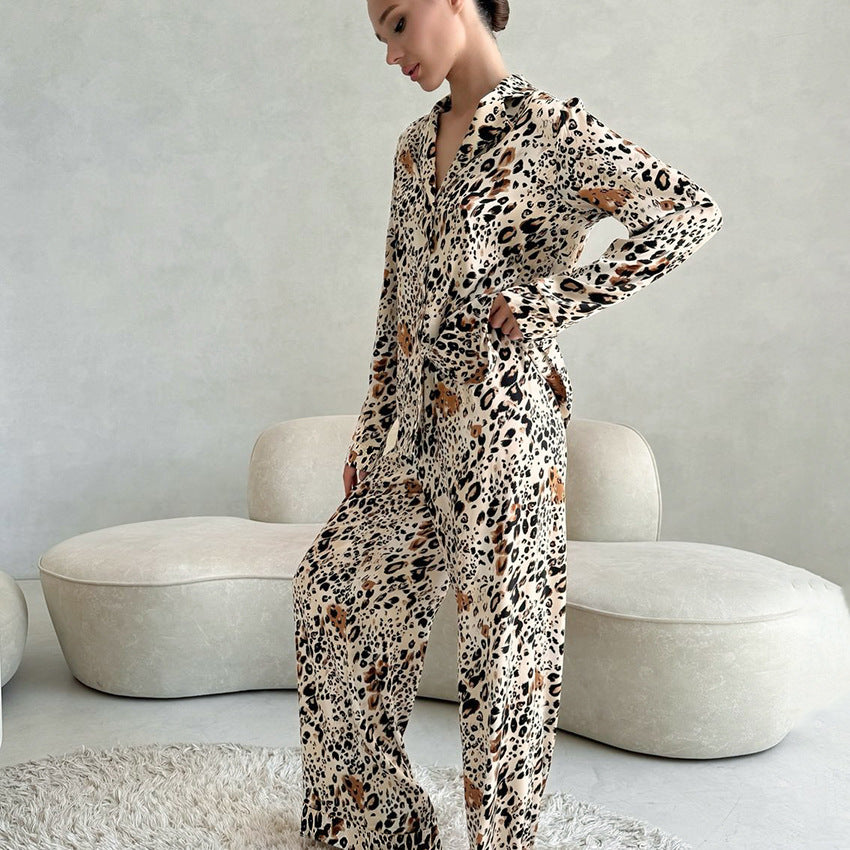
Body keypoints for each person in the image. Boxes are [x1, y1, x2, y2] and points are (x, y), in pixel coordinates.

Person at [293, 0, 724, 848]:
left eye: (398, 22)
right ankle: (379, 828)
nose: (391, 53)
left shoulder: (552, 129)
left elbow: (690, 213)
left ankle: (503, 841)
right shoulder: (413, 149)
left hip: (507, 429)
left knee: (506, 658)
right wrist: (371, 430)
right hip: (415, 431)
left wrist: (549, 302)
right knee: (331, 592)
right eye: (379, 36)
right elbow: (397, 302)